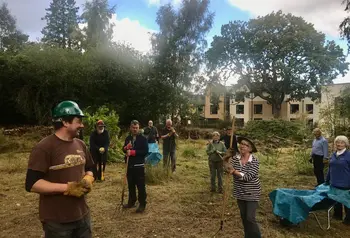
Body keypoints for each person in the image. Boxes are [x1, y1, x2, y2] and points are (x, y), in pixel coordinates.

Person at [25, 100, 95, 238]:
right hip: (57, 222)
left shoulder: (80, 144)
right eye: (78, 121)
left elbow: (90, 168)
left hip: (82, 216)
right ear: (65, 122)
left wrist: (88, 177)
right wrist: (68, 188)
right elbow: (32, 184)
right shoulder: (44, 148)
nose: (82, 125)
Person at [225, 136, 261, 238]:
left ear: (250, 148)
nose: (242, 146)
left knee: (250, 218)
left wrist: (235, 172)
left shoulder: (254, 160)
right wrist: (226, 159)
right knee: (244, 218)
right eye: (241, 144)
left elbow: (248, 177)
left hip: (252, 192)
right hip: (239, 192)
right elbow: (228, 169)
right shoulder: (235, 159)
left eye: (245, 145)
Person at [122, 120, 149, 213]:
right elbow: (124, 149)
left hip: (139, 165)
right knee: (131, 185)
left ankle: (142, 204)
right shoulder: (128, 138)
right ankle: (132, 201)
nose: (135, 129)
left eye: (136, 128)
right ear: (130, 128)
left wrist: (133, 152)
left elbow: (145, 151)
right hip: (129, 166)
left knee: (140, 186)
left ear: (139, 128)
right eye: (133, 128)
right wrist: (126, 148)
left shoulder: (143, 139)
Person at [325, 135, 350, 225]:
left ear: (346, 144)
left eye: (342, 142)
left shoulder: (348, 155)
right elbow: (330, 168)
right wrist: (327, 181)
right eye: (337, 142)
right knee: (336, 200)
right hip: (334, 183)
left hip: (346, 184)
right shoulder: (334, 154)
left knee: (347, 202)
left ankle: (348, 220)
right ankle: (337, 215)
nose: (339, 144)